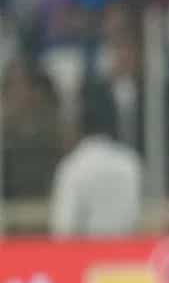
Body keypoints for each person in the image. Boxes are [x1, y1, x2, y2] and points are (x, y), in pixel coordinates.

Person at [48, 84, 142, 236]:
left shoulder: (73, 167)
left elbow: (63, 228)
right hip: (123, 249)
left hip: (87, 250)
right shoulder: (130, 163)